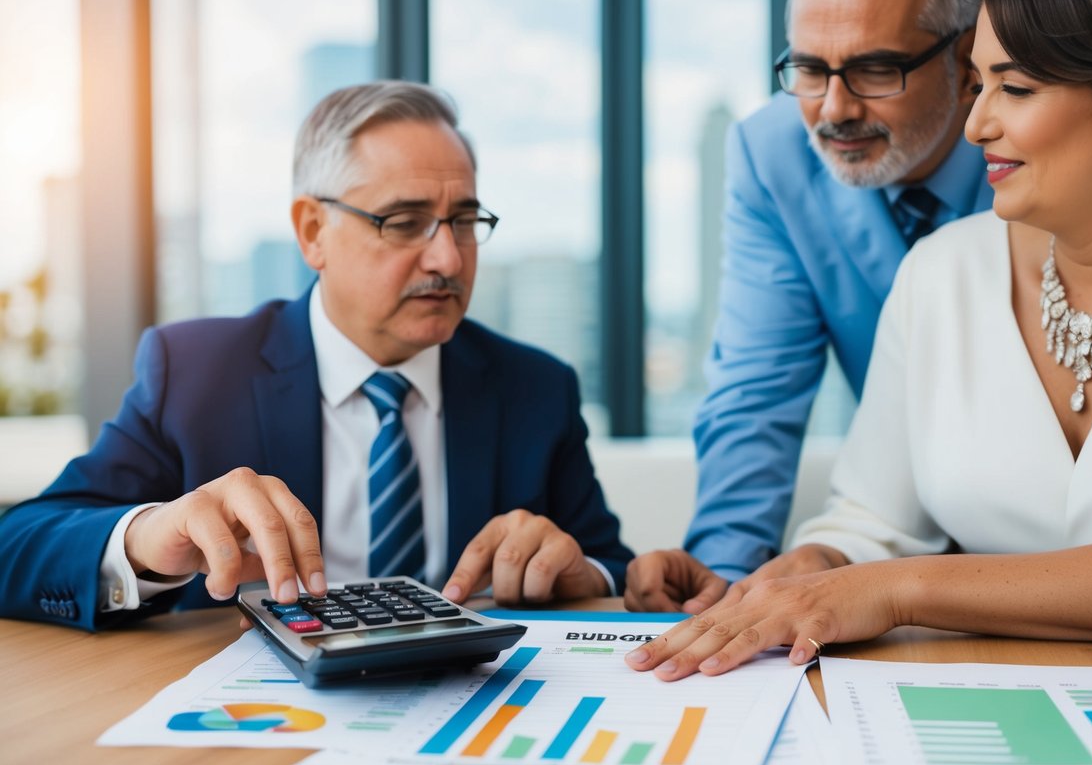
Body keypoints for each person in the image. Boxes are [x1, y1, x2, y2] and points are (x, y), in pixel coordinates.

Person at [627, 0, 1092, 679]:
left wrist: (896, 589)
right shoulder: (941, 271)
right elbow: (870, 517)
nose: (975, 124)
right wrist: (819, 564)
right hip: (994, 698)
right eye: (980, 83)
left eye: (1016, 89)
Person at [0, 81, 631, 630]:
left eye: (463, 221)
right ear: (312, 232)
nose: (447, 258)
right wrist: (145, 539)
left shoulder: (535, 387)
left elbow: (611, 566)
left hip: (475, 702)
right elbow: (18, 546)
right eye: (404, 222)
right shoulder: (195, 371)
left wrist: (582, 572)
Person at [625, 0, 993, 613]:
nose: (834, 109)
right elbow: (756, 389)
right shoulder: (772, 152)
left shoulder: (1037, 147)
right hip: (888, 548)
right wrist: (723, 577)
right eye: (810, 70)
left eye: (875, 70)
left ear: (966, 60)